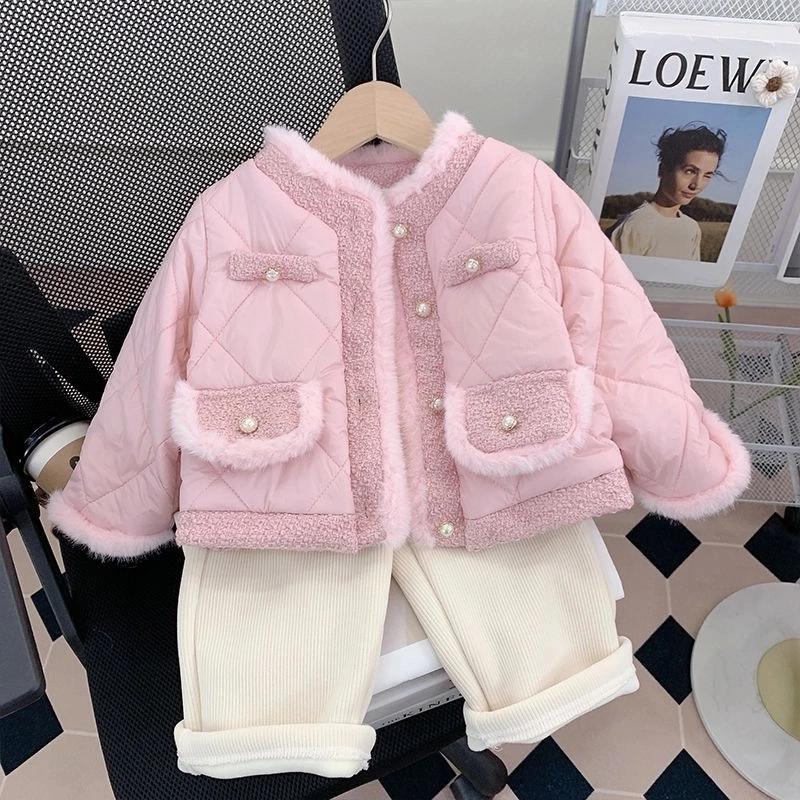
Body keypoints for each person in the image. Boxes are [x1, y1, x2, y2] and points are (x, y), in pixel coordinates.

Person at [606, 122, 727, 260]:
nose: (696, 185)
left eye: (707, 175)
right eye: (690, 171)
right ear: (663, 169)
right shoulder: (633, 226)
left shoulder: (692, 229)